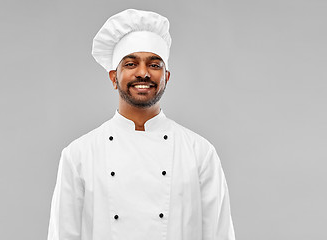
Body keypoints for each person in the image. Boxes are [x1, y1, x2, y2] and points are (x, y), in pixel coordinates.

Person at [47, 9, 236, 240]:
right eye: (130, 64)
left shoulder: (200, 153)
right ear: (113, 78)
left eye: (154, 65)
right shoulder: (78, 155)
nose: (143, 73)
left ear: (166, 77)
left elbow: (220, 234)